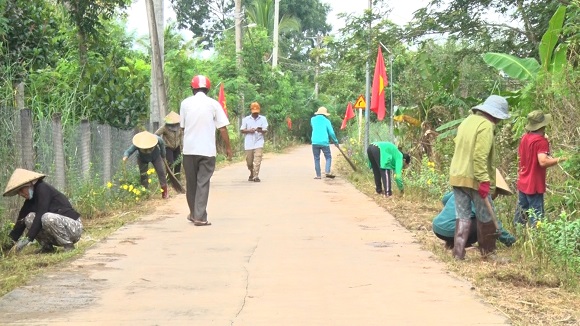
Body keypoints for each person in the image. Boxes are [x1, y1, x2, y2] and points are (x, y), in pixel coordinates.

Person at [449, 95, 510, 260]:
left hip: (457, 175)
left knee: (462, 215)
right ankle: (489, 253)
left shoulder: (467, 121)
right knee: (486, 216)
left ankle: (458, 253)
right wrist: (483, 180)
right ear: (496, 115)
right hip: (474, 178)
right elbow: (479, 156)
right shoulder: (486, 126)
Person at [180, 75, 232, 226]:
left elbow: (182, 127)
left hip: (189, 150)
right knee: (202, 182)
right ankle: (199, 216)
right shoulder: (214, 104)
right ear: (208, 89)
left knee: (191, 183)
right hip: (207, 151)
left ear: (192, 89)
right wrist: (228, 148)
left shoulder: (185, 103)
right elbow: (222, 128)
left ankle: (194, 213)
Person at [3, 168, 82, 253]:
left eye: (21, 191)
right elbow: (20, 222)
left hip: (73, 229)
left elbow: (41, 213)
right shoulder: (30, 201)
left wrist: (28, 239)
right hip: (56, 233)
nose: (21, 194)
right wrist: (6, 245)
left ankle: (68, 246)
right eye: (19, 193)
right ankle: (47, 248)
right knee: (29, 218)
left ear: (29, 184)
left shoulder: (43, 188)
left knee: (46, 217)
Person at [433, 169, 516, 249]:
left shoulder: (465, 188)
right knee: (484, 223)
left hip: (437, 227)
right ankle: (469, 245)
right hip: (451, 230)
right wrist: (512, 242)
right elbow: (495, 226)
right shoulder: (481, 198)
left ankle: (452, 243)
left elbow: (444, 199)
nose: (496, 196)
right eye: (496, 192)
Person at [514, 110, 566, 227]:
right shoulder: (541, 141)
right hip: (534, 184)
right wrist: (560, 159)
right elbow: (542, 161)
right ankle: (538, 238)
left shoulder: (525, 137)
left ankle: (517, 235)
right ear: (543, 124)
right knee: (537, 215)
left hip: (523, 181)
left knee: (522, 211)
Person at [123, 131, 169, 199]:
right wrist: (125, 156)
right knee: (143, 176)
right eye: (145, 149)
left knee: (161, 172)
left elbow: (162, 145)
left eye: (149, 148)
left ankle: (164, 193)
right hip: (142, 159)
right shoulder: (138, 144)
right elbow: (128, 151)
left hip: (156, 156)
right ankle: (145, 194)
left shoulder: (157, 139)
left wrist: (163, 155)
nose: (148, 151)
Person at [241, 102, 268, 182]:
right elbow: (242, 130)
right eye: (254, 112)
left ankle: (256, 176)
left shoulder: (263, 119)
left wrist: (260, 130)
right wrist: (249, 130)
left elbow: (265, 130)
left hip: (259, 142)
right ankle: (251, 172)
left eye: (257, 112)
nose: (255, 114)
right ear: (251, 110)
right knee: (249, 162)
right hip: (249, 143)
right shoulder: (246, 119)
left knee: (258, 159)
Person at [310, 106, 339, 179]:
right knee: (328, 157)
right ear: (325, 114)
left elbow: (313, 127)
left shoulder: (312, 120)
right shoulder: (327, 121)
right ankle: (327, 171)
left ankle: (318, 175)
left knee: (316, 158)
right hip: (324, 142)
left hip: (315, 142)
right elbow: (331, 133)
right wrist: (336, 141)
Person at [155, 111, 183, 178]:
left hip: (177, 147)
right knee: (170, 163)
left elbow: (181, 136)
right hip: (168, 147)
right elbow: (156, 134)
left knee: (178, 162)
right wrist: (160, 143)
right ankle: (169, 178)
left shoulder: (179, 127)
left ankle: (177, 178)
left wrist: (181, 146)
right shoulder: (165, 127)